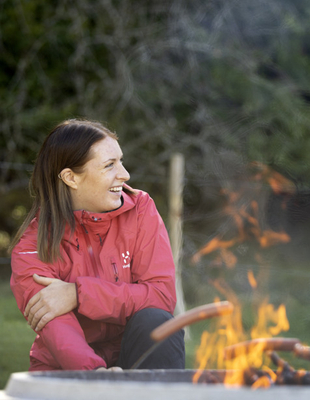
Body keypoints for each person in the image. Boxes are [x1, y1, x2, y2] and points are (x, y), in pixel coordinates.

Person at [10, 119, 185, 371]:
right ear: (70, 178)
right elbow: (60, 333)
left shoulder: (141, 209)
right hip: (69, 371)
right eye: (109, 165)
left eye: (120, 161)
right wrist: (97, 376)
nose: (124, 174)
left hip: (134, 357)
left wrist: (79, 294)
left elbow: (161, 296)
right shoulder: (31, 248)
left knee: (158, 322)